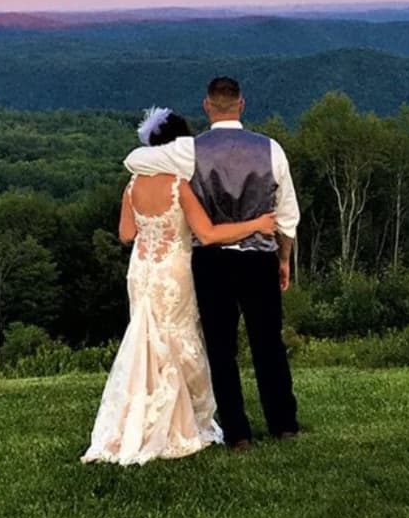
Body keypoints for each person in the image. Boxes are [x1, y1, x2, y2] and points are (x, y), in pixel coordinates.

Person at [81, 107, 277, 466]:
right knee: (178, 337)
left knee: (146, 338)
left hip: (141, 270)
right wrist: (257, 224)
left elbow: (126, 234)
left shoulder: (133, 184)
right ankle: (180, 422)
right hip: (173, 270)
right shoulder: (178, 185)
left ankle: (137, 417)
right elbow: (208, 233)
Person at [125, 77, 301, 452]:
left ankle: (238, 434)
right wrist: (283, 258)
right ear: (242, 104)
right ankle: (284, 424)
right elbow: (287, 216)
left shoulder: (191, 151)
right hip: (259, 258)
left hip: (213, 261)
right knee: (268, 342)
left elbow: (133, 160)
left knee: (222, 349)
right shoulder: (272, 149)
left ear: (207, 106)